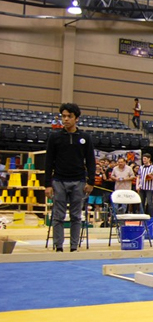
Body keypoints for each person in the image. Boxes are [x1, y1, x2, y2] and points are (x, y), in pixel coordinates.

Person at [45, 103, 96, 252]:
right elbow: (49, 162)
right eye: (63, 116)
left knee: (76, 216)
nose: (66, 119)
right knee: (58, 216)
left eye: (69, 116)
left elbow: (91, 161)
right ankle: (59, 246)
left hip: (78, 181)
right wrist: (47, 184)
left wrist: (91, 181)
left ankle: (74, 247)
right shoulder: (55, 137)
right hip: (59, 181)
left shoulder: (85, 138)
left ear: (76, 119)